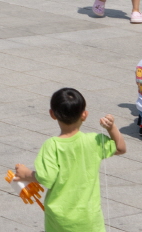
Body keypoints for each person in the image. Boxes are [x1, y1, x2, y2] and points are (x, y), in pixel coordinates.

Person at [9, 87, 126, 232]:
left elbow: (47, 177)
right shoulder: (93, 141)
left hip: (60, 218)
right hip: (89, 217)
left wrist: (26, 174)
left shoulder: (52, 145)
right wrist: (111, 128)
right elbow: (120, 148)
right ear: (84, 115)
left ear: (52, 114)